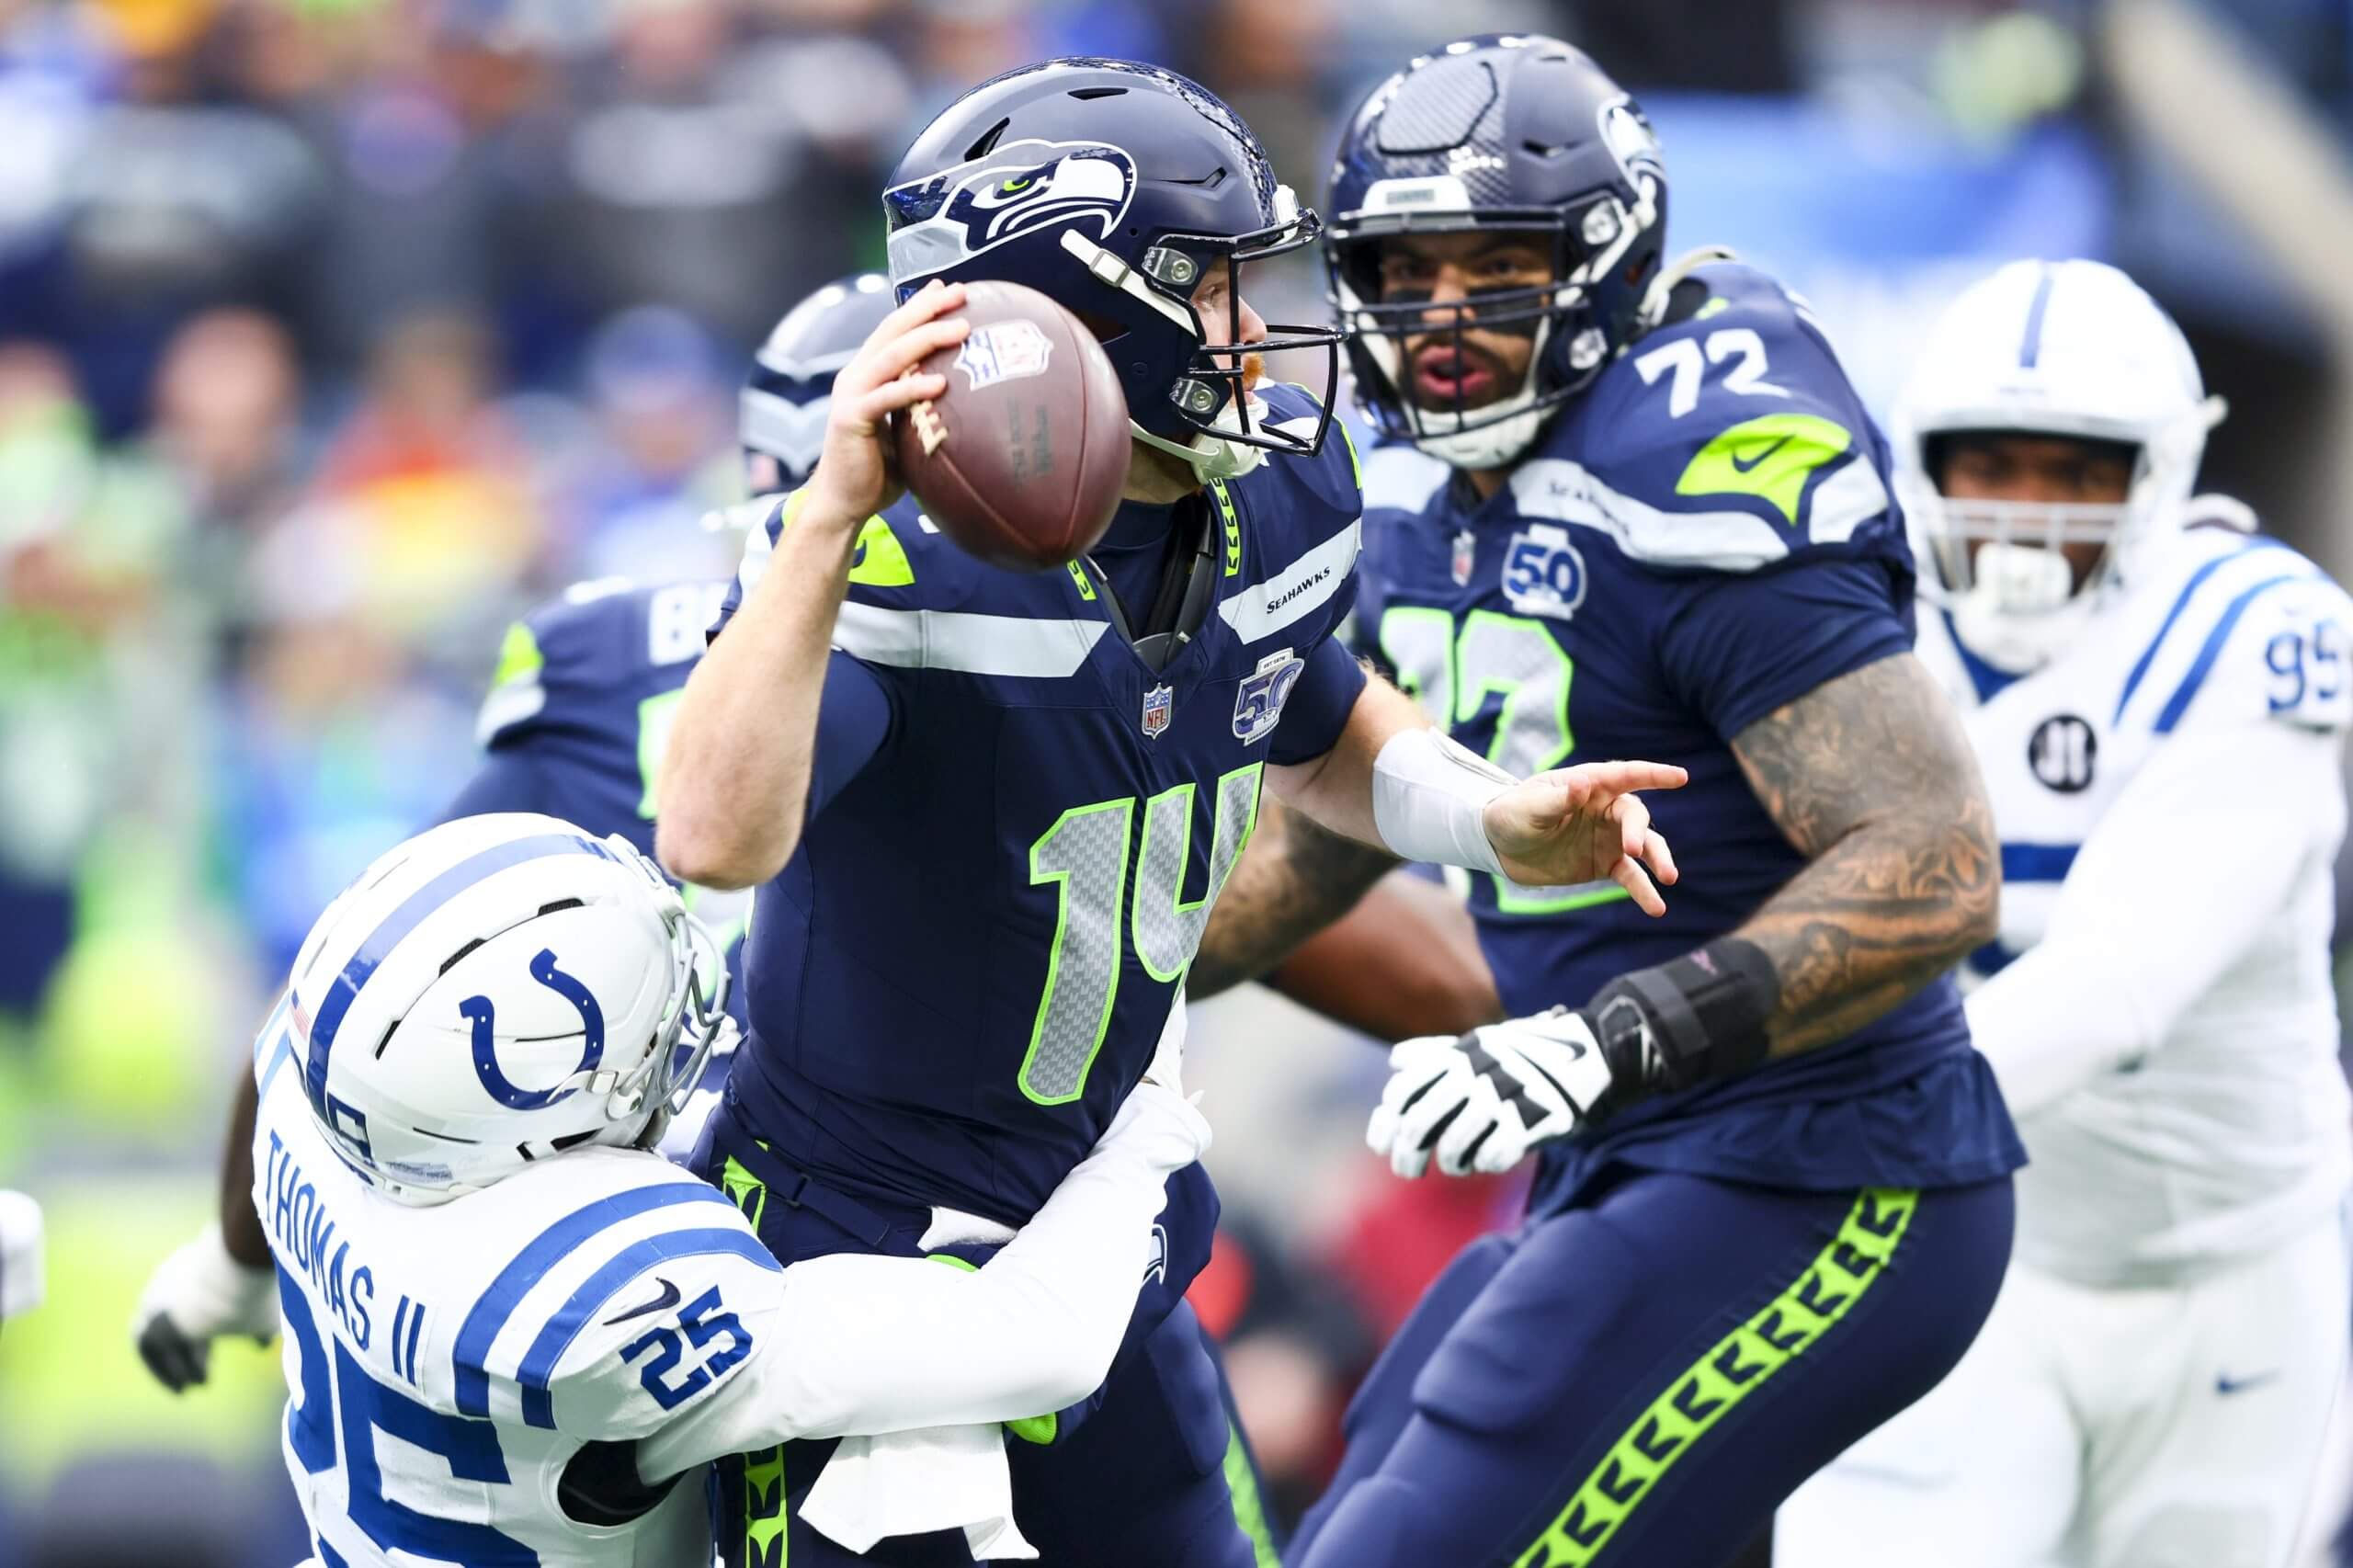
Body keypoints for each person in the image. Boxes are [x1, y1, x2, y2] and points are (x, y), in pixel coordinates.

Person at [654, 55, 1686, 1568]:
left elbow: (1311, 710)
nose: (1259, 330)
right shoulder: (896, 564)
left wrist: (1494, 819)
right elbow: (714, 839)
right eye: (1212, 290)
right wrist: (820, 523)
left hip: (1103, 1212)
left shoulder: (1268, 494)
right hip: (863, 1255)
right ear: (1062, 317)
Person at [1183, 36, 2022, 1568]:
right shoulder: (1423, 494)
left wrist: (1606, 1038)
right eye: (1404, 268)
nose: (1443, 319)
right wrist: (1061, 969)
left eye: (1496, 262)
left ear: (1606, 257)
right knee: (1377, 1470)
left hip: (1830, 1169)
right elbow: (1324, 830)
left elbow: (1936, 860)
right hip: (1622, 1164)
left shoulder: (1692, 455)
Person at [130, 275, 896, 1391]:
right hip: (929, 1238)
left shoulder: (615, 651)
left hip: (646, 1256)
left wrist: (231, 1265)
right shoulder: (1112, 642)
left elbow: (349, 979)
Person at [1774, 261, 2353, 1568]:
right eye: (1991, 464)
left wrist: (1766, 1104)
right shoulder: (1848, 617)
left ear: (2161, 476)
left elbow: (2118, 981)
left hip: (2230, 1273)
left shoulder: (2251, 628)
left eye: (2073, 471)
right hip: (1973, 1248)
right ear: (1918, 462)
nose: (2024, 513)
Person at [247, 811, 1211, 1564]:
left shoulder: (330, 1089)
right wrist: (1151, 1118)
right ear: (546, 1132)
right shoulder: (588, 1294)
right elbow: (1044, 1339)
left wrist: (221, 1265)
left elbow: (260, 1071)